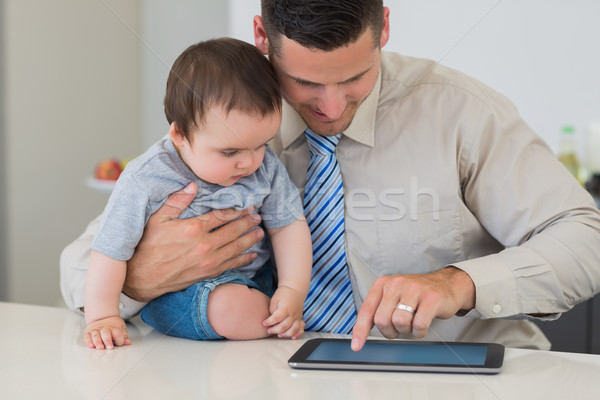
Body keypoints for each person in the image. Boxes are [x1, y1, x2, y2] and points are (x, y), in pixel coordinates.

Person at [62, 0, 600, 351]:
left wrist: (459, 283)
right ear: (261, 37)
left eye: (356, 77)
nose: (330, 104)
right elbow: (78, 267)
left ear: (384, 26)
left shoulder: (461, 112)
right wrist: (138, 277)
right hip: (276, 376)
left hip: (462, 376)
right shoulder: (225, 121)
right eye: (303, 83)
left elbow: (585, 239)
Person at [82, 38, 311, 350]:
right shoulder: (147, 177)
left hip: (254, 281)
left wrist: (292, 289)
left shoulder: (264, 166)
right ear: (179, 136)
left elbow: (289, 226)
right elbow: (110, 249)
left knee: (270, 307)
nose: (250, 162)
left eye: (262, 144)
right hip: (181, 292)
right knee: (236, 309)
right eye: (230, 152)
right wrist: (103, 316)